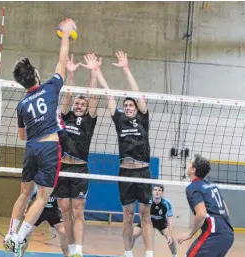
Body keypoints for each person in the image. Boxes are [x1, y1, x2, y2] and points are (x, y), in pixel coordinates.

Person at [2, 18, 76, 257]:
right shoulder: (50, 88)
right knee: (42, 197)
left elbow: (22, 136)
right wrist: (65, 34)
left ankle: (10, 234)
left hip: (31, 149)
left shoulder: (22, 104)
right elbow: (62, 61)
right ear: (35, 74)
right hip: (48, 149)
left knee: (24, 193)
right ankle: (19, 238)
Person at [95, 51, 154, 257]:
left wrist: (126, 68)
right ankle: (128, 253)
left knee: (145, 215)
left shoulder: (143, 119)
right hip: (125, 173)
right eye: (126, 105)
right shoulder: (119, 119)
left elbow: (137, 93)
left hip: (143, 172)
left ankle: (149, 254)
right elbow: (108, 93)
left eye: (132, 105)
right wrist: (97, 71)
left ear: (137, 108)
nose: (129, 107)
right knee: (127, 215)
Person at [54, 53, 98, 257]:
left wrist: (92, 72)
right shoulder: (65, 116)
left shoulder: (89, 120)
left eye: (82, 104)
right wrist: (70, 75)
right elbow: (67, 95)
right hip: (62, 167)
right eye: (77, 104)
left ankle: (79, 249)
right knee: (64, 209)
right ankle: (71, 250)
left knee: (77, 209)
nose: (79, 106)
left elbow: (94, 95)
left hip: (80, 167)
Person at [178, 154, 234, 257]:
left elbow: (201, 214)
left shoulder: (193, 187)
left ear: (193, 170)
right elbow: (226, 211)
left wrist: (191, 233)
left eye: (190, 162)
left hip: (214, 233)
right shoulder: (212, 185)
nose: (188, 164)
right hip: (228, 233)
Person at [132, 184, 177, 257]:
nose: (157, 192)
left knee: (171, 238)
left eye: (159, 190)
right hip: (148, 221)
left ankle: (175, 255)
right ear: (152, 191)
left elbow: (170, 218)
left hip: (161, 222)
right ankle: (128, 253)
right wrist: (145, 228)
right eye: (155, 190)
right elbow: (142, 215)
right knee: (133, 234)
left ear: (162, 192)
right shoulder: (147, 201)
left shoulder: (166, 203)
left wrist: (169, 235)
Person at [24, 186, 69, 257]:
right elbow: (28, 197)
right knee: (26, 232)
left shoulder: (60, 185)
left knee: (64, 233)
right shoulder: (39, 185)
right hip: (39, 212)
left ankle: (67, 255)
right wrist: (25, 207)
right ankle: (19, 254)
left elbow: (64, 199)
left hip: (53, 212)